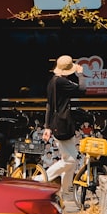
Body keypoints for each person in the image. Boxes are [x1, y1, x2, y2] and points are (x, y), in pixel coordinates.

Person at [41, 55, 86, 205]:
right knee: (70, 160)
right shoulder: (61, 82)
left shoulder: (51, 82)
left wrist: (47, 126)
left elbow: (49, 106)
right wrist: (80, 74)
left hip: (57, 124)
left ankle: (66, 191)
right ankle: (41, 179)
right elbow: (82, 89)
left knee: (69, 160)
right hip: (63, 125)